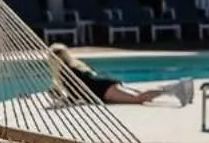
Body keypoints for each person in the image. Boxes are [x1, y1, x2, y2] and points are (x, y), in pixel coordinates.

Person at [50, 42, 194, 107]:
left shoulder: (66, 73)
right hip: (105, 84)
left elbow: (75, 92)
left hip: (103, 90)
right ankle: (176, 88)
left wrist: (63, 99)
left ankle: (175, 88)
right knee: (140, 95)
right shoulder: (76, 65)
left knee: (139, 98)